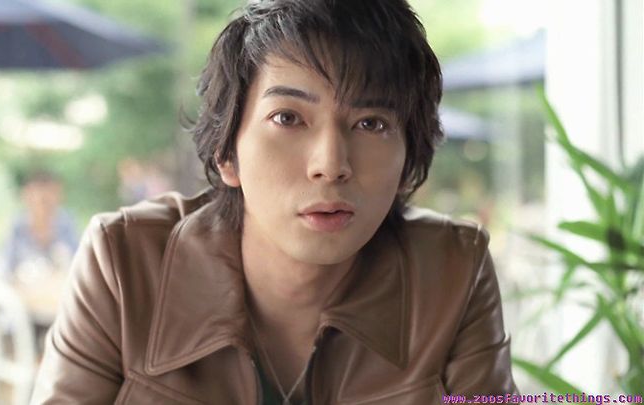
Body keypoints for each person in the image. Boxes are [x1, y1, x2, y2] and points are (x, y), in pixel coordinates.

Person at [32, 0, 518, 403]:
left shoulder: (453, 272)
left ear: (408, 158)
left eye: (371, 123)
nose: (331, 164)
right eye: (288, 118)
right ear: (227, 154)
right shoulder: (125, 263)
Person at [0, 169, 79, 282]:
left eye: (51, 195)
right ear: (27, 196)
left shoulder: (67, 223)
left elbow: (77, 266)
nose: (45, 202)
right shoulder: (17, 226)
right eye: (41, 199)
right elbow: (4, 268)